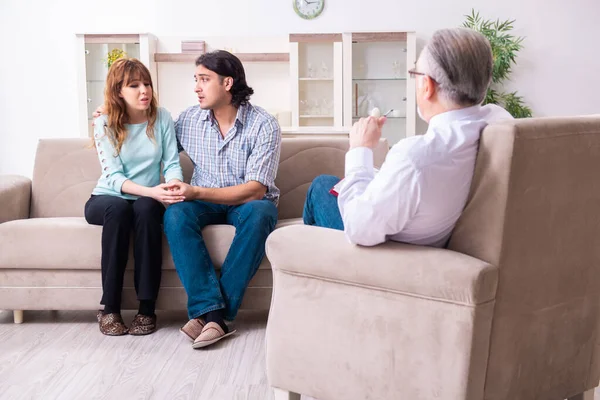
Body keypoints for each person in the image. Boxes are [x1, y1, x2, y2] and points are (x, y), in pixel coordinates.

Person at [303, 27, 514, 248]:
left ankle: (319, 270)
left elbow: (358, 229)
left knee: (321, 186)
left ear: (427, 86)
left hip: (394, 254)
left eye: (415, 73)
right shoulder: (499, 120)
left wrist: (360, 148)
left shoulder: (415, 157)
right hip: (427, 228)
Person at [163, 51, 281, 349]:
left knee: (262, 211)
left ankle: (212, 316)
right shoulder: (188, 120)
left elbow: (255, 189)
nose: (196, 87)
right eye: (196, 79)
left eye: (204, 79)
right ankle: (214, 312)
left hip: (246, 203)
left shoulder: (264, 124)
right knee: (175, 215)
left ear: (227, 83)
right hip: (204, 204)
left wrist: (196, 192)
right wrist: (112, 116)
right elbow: (152, 143)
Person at [86, 58, 184, 336]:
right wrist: (153, 191)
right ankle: (110, 309)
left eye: (147, 84)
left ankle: (146, 309)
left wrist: (174, 185)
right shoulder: (104, 122)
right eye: (134, 85)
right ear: (119, 91)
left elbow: (172, 163)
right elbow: (114, 178)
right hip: (106, 198)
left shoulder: (161, 117)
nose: (144, 91)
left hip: (145, 200)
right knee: (119, 209)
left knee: (147, 209)